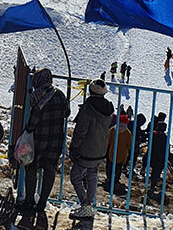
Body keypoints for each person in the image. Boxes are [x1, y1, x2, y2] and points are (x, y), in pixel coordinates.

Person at [19, 69, 69, 229]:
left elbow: (33, 122)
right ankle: (42, 202)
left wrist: (26, 130)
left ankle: (28, 201)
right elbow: (67, 112)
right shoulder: (60, 94)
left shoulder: (37, 97)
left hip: (38, 140)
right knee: (49, 169)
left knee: (31, 167)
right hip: (55, 140)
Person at [69, 78, 112, 220]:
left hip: (86, 149)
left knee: (76, 176)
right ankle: (90, 205)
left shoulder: (88, 108)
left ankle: (86, 205)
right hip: (100, 149)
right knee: (92, 175)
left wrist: (74, 147)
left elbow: (81, 131)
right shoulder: (108, 108)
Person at [104, 114, 132, 191]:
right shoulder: (127, 133)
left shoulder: (113, 130)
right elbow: (130, 145)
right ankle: (116, 181)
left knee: (110, 165)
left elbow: (108, 141)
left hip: (112, 153)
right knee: (118, 168)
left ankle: (109, 178)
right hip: (122, 155)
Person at [145, 122, 169, 193]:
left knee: (153, 171)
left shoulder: (152, 134)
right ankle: (152, 186)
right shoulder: (164, 137)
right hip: (160, 157)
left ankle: (151, 186)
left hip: (152, 155)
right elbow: (166, 149)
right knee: (156, 172)